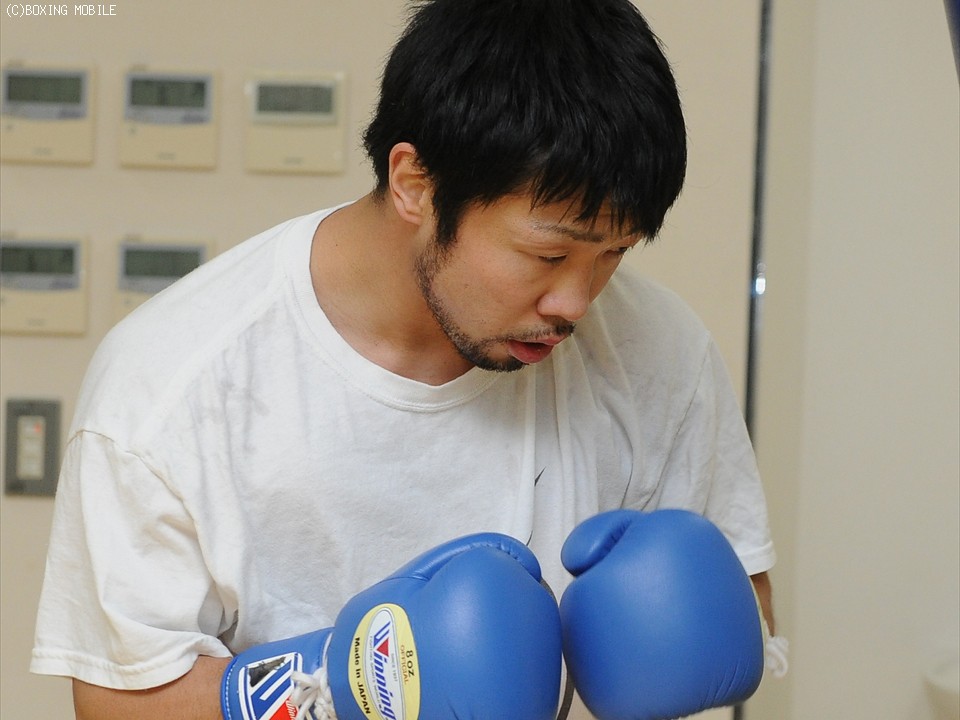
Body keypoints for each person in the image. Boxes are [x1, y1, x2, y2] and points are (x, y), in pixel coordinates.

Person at [31, 0, 780, 717]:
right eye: (548, 254)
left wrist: (683, 629)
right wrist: (346, 685)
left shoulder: (659, 350)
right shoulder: (173, 386)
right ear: (414, 184)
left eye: (613, 254)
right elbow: (119, 700)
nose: (575, 303)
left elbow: (742, 593)